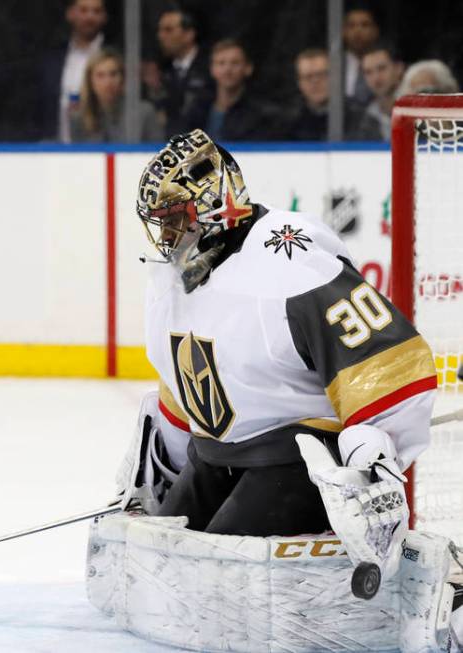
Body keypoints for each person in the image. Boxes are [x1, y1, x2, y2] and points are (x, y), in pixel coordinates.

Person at [123, 129, 437, 539]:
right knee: (161, 553)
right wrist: (164, 465)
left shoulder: (293, 262)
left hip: (300, 460)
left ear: (214, 204)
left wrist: (370, 463)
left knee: (221, 568)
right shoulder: (170, 278)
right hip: (214, 458)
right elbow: (186, 380)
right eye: (162, 224)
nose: (166, 237)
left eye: (176, 219)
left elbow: (388, 362)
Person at [39, 0, 109, 143]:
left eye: (96, 11)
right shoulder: (53, 58)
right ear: (70, 14)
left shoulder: (114, 55)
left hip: (101, 148)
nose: (90, 17)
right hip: (55, 148)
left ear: (104, 17)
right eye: (83, 10)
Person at [186, 39, 278, 141]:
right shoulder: (197, 109)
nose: (227, 70)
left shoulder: (261, 114)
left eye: (235, 63)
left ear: (248, 68)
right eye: (221, 63)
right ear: (212, 68)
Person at [69, 49, 163, 143]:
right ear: (90, 81)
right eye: (100, 75)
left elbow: (158, 152)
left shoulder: (144, 112)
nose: (108, 82)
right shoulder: (79, 117)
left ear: (123, 78)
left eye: (113, 74)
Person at [286, 48, 375, 141]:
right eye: (308, 77)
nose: (315, 81)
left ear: (335, 76)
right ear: (299, 83)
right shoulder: (288, 123)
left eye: (321, 74)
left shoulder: (361, 119)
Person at [156, 8, 211, 137]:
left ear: (189, 34)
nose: (161, 36)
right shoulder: (162, 71)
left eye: (168, 30)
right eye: (160, 30)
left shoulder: (210, 66)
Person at [357, 43, 404, 141]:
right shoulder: (364, 117)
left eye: (382, 68)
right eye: (368, 72)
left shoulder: (418, 109)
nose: (376, 78)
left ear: (398, 69)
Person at [342, 6, 380, 109]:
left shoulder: (384, 65)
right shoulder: (332, 64)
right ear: (343, 32)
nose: (357, 31)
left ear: (375, 31)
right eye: (351, 25)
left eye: (365, 25)